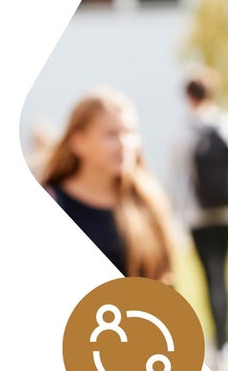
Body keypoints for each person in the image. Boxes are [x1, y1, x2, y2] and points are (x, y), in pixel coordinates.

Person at [168, 66, 228, 359]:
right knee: (225, 274)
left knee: (209, 276)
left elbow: (175, 180)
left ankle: (219, 346)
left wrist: (173, 218)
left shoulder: (181, 132)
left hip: (198, 216)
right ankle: (225, 342)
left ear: (188, 96)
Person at [40, 87, 175, 285]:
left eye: (130, 132)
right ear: (79, 141)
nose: (125, 144)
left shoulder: (147, 199)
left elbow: (166, 282)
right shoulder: (52, 200)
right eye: (112, 134)